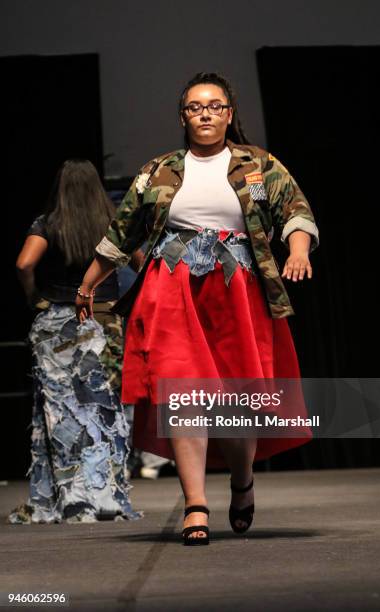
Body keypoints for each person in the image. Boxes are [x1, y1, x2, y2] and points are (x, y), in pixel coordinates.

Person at [75, 72, 319, 544]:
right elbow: (121, 235)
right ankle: (195, 504)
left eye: (214, 105)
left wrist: (298, 249)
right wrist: (88, 287)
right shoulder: (159, 169)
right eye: (194, 107)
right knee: (183, 396)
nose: (205, 113)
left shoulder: (260, 164)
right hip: (174, 288)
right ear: (183, 116)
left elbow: (296, 212)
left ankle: (241, 481)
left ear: (229, 113)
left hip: (239, 290)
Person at [9, 159, 142, 524]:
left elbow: (24, 264)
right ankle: (110, 498)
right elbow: (144, 262)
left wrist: (32, 295)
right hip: (105, 322)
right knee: (106, 410)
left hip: (58, 325)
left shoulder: (49, 222)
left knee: (62, 413)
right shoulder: (114, 222)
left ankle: (75, 501)